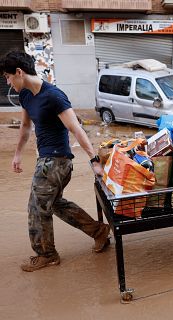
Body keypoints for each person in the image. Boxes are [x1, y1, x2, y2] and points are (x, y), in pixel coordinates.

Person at [0, 51, 110, 271]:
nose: (8, 82)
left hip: (57, 161)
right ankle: (98, 231)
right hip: (46, 159)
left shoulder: (54, 95)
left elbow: (75, 128)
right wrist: (18, 153)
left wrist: (93, 160)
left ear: (19, 72)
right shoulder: (26, 96)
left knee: (36, 208)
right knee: (55, 203)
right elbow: (25, 127)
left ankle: (47, 255)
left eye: (8, 77)